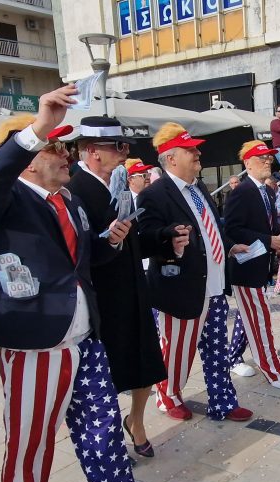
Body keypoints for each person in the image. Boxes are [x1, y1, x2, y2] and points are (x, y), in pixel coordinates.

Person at [0, 90, 174, 482]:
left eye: (65, 147)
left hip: (85, 339)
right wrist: (37, 126)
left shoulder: (72, 202)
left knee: (101, 426)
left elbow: (82, 262)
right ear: (26, 159)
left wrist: (113, 240)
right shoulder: (6, 198)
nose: (66, 155)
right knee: (31, 438)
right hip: (35, 345)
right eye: (54, 148)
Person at [135, 122, 254, 421]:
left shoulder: (198, 187)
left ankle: (223, 402)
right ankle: (168, 395)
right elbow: (145, 238)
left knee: (216, 348)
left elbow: (210, 226)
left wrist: (228, 246)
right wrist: (168, 238)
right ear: (172, 158)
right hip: (181, 288)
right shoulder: (154, 194)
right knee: (177, 350)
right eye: (191, 150)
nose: (198, 153)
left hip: (213, 285)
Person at [67, 116, 167, 461]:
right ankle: (108, 443)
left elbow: (135, 240)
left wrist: (167, 239)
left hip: (135, 290)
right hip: (104, 300)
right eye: (118, 146)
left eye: (125, 146)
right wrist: (107, 242)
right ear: (93, 151)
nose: (125, 153)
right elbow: (77, 254)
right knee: (106, 376)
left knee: (147, 364)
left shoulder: (119, 186)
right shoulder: (76, 190)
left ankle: (136, 422)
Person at [224, 140, 280, 393]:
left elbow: (266, 226)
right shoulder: (241, 191)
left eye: (269, 158)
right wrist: (268, 240)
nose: (268, 162)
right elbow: (232, 230)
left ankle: (233, 357)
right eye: (262, 158)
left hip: (261, 263)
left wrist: (279, 237)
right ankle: (273, 370)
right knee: (259, 319)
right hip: (245, 267)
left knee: (248, 316)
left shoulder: (267, 191)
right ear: (247, 163)